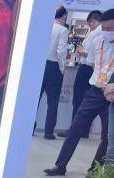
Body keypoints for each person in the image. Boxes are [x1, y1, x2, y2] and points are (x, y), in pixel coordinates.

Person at [45, 9, 114, 177]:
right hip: (95, 91)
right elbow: (92, 63)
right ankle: (60, 165)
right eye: (104, 28)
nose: (106, 32)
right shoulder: (97, 41)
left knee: (107, 136)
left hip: (111, 95)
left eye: (110, 28)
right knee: (75, 128)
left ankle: (94, 171)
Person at [58, 10, 102, 138]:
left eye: (90, 23)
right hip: (92, 70)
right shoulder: (100, 33)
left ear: (94, 21)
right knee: (88, 101)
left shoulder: (95, 33)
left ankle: (75, 130)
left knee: (78, 100)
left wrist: (81, 51)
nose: (89, 26)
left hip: (86, 69)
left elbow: (91, 54)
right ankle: (84, 130)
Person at [37, 6, 68, 140]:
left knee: (35, 99)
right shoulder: (63, 30)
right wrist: (62, 68)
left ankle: (29, 128)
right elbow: (61, 50)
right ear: (63, 16)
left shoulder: (44, 27)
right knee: (53, 101)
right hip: (54, 66)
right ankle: (48, 132)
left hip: (39, 65)